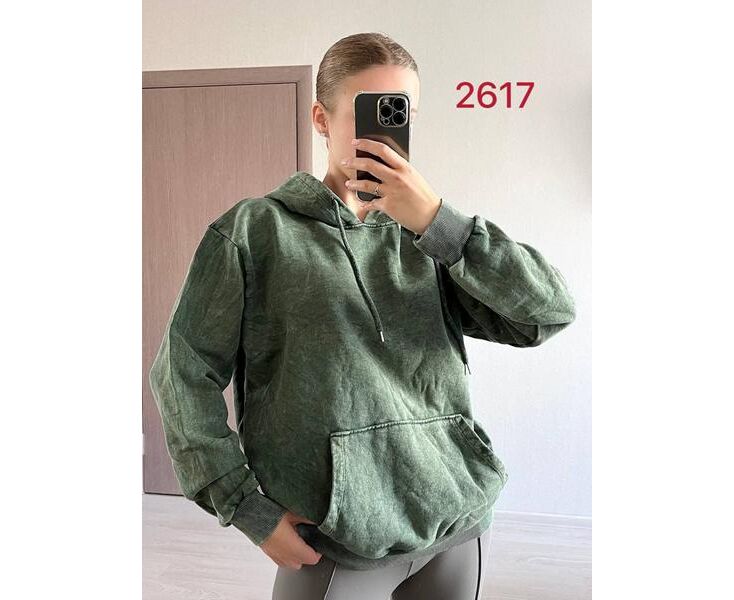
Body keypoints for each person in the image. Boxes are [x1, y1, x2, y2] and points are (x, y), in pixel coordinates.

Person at [149, 32, 576, 600]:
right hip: (336, 539)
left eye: (400, 111)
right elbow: (182, 374)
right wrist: (245, 506)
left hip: (458, 522)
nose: (386, 127)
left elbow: (546, 313)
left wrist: (437, 222)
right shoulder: (254, 233)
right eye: (369, 110)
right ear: (321, 119)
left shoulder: (432, 237)